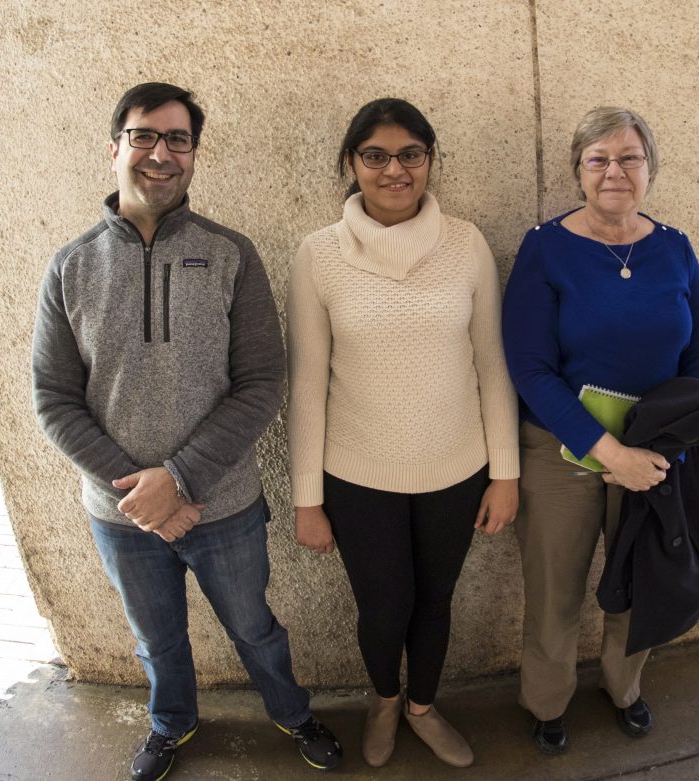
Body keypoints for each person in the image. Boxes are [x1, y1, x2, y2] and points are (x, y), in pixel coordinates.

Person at [31, 82, 341, 780]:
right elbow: (52, 398)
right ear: (114, 148)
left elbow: (263, 381)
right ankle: (172, 722)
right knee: (157, 639)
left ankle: (292, 713)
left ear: (193, 156)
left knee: (255, 629)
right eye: (145, 135)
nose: (161, 153)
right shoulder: (70, 266)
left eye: (178, 140)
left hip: (222, 505)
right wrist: (141, 493)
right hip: (121, 516)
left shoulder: (232, 253)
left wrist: (178, 479)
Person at [286, 98, 520, 769]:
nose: (395, 169)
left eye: (410, 154)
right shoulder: (318, 255)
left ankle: (422, 704)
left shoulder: (467, 244)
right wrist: (308, 496)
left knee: (435, 601)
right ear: (352, 164)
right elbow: (306, 383)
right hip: (358, 475)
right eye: (376, 155)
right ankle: (384, 699)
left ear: (430, 160)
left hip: (457, 467)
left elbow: (491, 364)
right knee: (384, 607)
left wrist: (504, 472)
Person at [501, 106, 699, 755]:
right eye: (599, 159)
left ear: (650, 168)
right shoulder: (545, 247)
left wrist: (661, 436)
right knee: (555, 589)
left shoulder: (675, 248)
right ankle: (546, 701)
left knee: (639, 582)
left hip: (653, 452)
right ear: (579, 171)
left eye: (629, 157)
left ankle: (624, 687)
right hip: (560, 450)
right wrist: (607, 451)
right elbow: (531, 367)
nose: (615, 171)